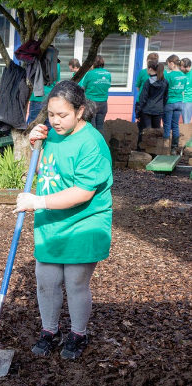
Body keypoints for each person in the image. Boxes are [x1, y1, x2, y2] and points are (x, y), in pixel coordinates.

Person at [14, 80, 112, 360]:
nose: (55, 121)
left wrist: (37, 202)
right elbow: (50, 166)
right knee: (45, 278)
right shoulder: (52, 133)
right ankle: (49, 331)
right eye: (51, 114)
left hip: (84, 221)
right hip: (52, 220)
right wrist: (36, 145)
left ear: (80, 111)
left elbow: (82, 191)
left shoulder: (92, 143)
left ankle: (78, 334)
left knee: (75, 282)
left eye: (63, 115)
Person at [136, 62, 168, 148]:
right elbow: (165, 97)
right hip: (158, 110)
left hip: (147, 110)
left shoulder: (148, 82)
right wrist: (161, 107)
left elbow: (143, 98)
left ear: (150, 69)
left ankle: (143, 150)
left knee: (146, 131)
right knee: (156, 131)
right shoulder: (165, 82)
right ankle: (155, 151)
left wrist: (138, 112)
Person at [79, 55, 111, 132]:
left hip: (91, 103)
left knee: (91, 127)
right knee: (100, 127)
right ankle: (100, 143)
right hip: (103, 103)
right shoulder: (108, 74)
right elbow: (107, 86)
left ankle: (92, 143)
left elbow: (83, 87)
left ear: (93, 63)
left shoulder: (90, 74)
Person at [162, 55, 187, 152]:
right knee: (175, 125)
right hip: (179, 102)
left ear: (172, 63)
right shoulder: (184, 76)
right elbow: (183, 90)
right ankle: (174, 148)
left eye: (168, 64)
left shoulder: (169, 75)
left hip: (169, 102)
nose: (168, 66)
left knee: (167, 125)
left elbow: (164, 88)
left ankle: (165, 147)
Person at [180, 58, 192, 123]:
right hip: (179, 100)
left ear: (187, 67)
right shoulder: (180, 73)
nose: (180, 67)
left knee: (186, 121)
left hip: (188, 100)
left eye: (182, 66)